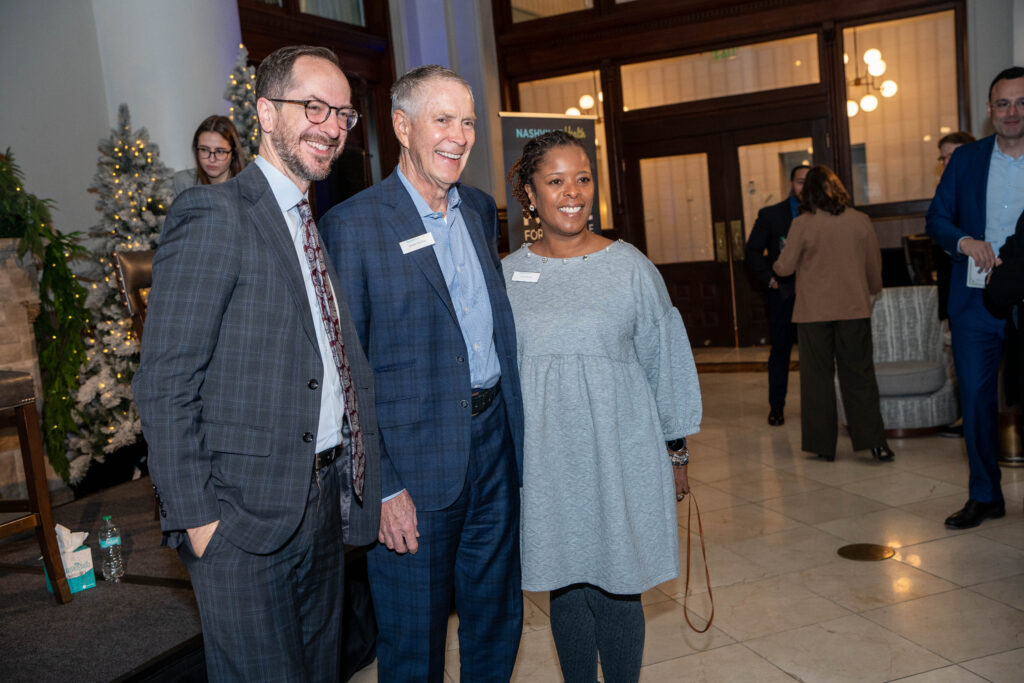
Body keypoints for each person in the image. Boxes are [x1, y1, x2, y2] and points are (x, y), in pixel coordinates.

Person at [133, 45, 381, 681]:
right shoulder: (213, 214)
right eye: (314, 108)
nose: (332, 126)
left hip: (319, 509)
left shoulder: (306, 223)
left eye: (343, 114)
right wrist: (200, 522)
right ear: (267, 114)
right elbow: (165, 383)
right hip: (240, 523)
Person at [320, 65, 524, 681]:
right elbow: (345, 374)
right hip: (412, 469)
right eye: (443, 120)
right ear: (403, 127)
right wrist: (381, 487)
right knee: (414, 642)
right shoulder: (353, 226)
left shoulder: (479, 209)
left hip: (494, 446)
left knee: (496, 619)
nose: (459, 136)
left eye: (468, 122)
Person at [503, 130, 701, 682]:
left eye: (583, 179)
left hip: (620, 453)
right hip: (546, 461)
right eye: (556, 180)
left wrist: (676, 451)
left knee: (618, 583)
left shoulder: (630, 267)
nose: (573, 192)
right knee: (563, 582)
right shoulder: (507, 276)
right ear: (530, 193)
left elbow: (665, 360)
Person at [926, 66, 1024, 529]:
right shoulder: (966, 160)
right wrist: (964, 242)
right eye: (1003, 103)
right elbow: (937, 219)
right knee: (976, 401)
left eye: (1021, 103)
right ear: (989, 110)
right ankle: (985, 495)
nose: (1012, 112)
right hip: (975, 300)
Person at [773, 165, 894, 464]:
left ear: (808, 193)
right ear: (836, 188)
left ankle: (823, 446)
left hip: (813, 313)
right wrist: (873, 290)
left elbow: (784, 268)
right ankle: (874, 443)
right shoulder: (860, 220)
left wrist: (777, 261)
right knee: (860, 376)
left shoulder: (802, 223)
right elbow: (873, 266)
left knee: (817, 380)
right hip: (853, 308)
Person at [745, 165, 809, 426]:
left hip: (816, 295)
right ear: (791, 183)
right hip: (782, 294)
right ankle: (777, 407)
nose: (804, 187)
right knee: (781, 351)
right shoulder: (771, 214)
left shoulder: (822, 214)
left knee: (815, 353)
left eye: (809, 182)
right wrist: (769, 279)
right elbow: (752, 252)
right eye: (800, 181)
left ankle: (817, 408)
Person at [171, 115, 246, 194]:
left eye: (220, 151)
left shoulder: (248, 185)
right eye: (204, 150)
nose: (212, 159)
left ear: (233, 153)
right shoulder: (184, 182)